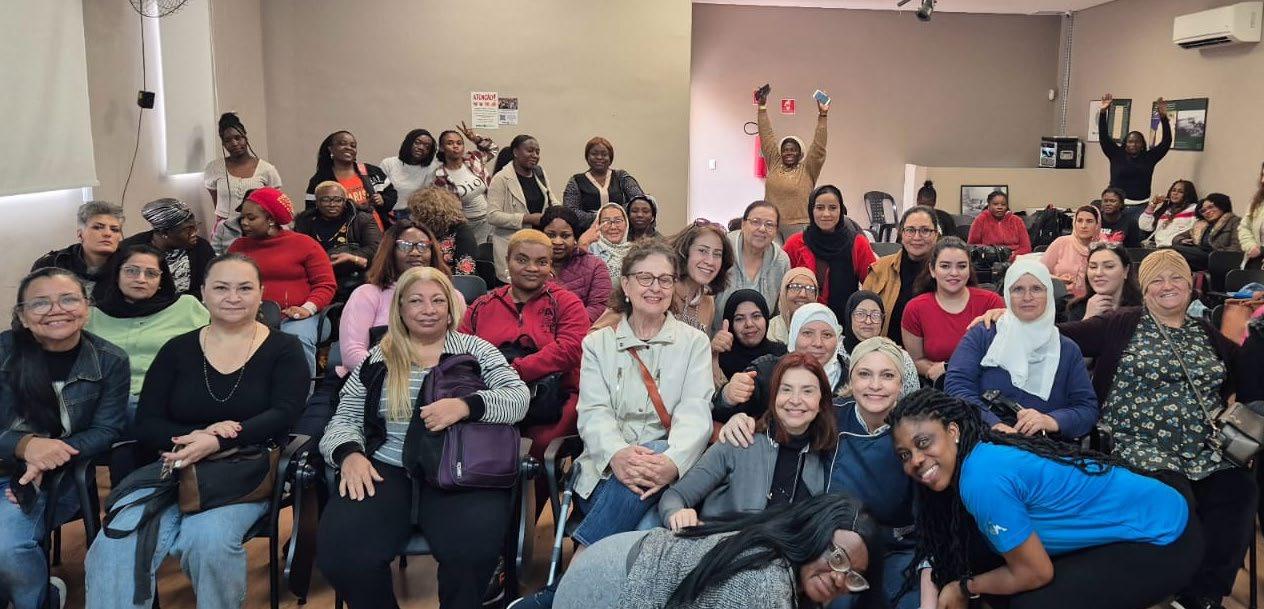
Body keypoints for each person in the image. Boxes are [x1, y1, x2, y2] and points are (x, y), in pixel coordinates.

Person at [85, 254, 308, 608]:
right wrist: (198, 438)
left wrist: (218, 440)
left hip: (241, 473)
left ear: (261, 293)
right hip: (171, 469)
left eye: (244, 288)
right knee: (114, 542)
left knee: (207, 541)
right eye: (221, 288)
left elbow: (284, 414)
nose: (232, 297)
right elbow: (148, 422)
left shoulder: (285, 349)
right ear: (202, 293)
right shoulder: (177, 349)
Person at [511, 240, 714, 609]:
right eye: (646, 278)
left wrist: (671, 462)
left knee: (650, 504)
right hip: (605, 471)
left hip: (670, 470)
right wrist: (617, 454)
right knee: (648, 527)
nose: (656, 288)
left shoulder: (694, 343)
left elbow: (695, 410)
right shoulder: (599, 344)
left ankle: (567, 588)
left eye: (665, 280)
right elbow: (593, 412)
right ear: (627, 283)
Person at [317, 266, 529, 609]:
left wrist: (466, 406)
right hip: (386, 467)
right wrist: (349, 454)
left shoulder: (476, 350)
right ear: (400, 308)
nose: (428, 310)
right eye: (416, 301)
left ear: (451, 307)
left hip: (460, 468)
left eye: (437, 301)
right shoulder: (379, 357)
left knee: (472, 554)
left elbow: (518, 399)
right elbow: (345, 416)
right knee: (343, 555)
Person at [1050, 249, 1253, 609]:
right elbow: (1056, 336)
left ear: (1190, 285)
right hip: (1139, 443)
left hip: (1203, 446)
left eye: (1176, 278)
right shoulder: (1121, 323)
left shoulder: (1205, 333)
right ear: (1144, 289)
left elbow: (1245, 368)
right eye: (1156, 280)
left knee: (1238, 489)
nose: (1167, 285)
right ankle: (1163, 588)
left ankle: (1203, 596)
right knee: (1176, 504)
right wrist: (1005, 316)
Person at [890, 389, 1201, 609]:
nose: (916, 460)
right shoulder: (979, 455)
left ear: (953, 431)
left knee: (1033, 603)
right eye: (905, 454)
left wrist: (964, 588)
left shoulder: (981, 479)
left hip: (1164, 536)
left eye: (923, 442)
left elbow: (1035, 573)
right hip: (1152, 507)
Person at [1, 269, 128, 609]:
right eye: (40, 303)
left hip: (57, 479)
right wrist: (25, 446)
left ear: (87, 308)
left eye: (68, 299)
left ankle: (41, 600)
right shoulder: (4, 352)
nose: (56, 310)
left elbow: (106, 430)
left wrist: (49, 456)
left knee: (7, 546)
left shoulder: (110, 360)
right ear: (23, 317)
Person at [546, 494, 880, 609]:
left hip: (623, 560)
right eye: (837, 558)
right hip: (607, 589)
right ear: (814, 533)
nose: (840, 579)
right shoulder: (764, 586)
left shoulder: (780, 559)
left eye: (854, 576)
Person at [458, 229, 590, 506]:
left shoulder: (567, 302)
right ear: (507, 260)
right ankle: (486, 513)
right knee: (477, 438)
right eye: (522, 259)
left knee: (539, 446)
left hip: (556, 396)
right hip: (494, 395)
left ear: (550, 265)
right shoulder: (482, 305)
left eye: (541, 262)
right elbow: (462, 351)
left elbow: (570, 349)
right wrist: (496, 378)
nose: (532, 268)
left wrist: (514, 370)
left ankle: (524, 517)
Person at [660, 353, 835, 531]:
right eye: (786, 390)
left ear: (821, 401)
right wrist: (678, 514)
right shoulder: (739, 439)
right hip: (722, 542)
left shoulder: (828, 455)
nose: (795, 400)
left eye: (807, 391)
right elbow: (675, 496)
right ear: (774, 396)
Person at [945, 259, 1098, 438]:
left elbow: (1087, 409)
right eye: (1018, 289)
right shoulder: (983, 334)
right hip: (985, 438)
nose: (1027, 297)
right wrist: (993, 424)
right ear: (1007, 295)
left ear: (1049, 294)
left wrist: (1051, 420)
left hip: (1046, 445)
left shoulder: (1067, 349)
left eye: (1036, 289)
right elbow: (957, 387)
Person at [86, 245, 209, 422]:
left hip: (170, 397)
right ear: (116, 275)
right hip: (109, 401)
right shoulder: (93, 316)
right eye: (131, 271)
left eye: (151, 274)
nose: (141, 279)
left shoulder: (187, 307)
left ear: (161, 280)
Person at [227, 187, 336, 375]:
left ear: (270, 219)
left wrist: (306, 309)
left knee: (295, 340)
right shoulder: (238, 247)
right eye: (242, 218)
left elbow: (325, 285)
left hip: (301, 317)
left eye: (251, 218)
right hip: (251, 316)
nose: (244, 223)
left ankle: (299, 392)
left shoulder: (304, 244)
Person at [713, 303, 849, 424]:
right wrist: (727, 396)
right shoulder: (767, 371)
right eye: (807, 333)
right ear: (793, 336)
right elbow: (722, 415)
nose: (818, 343)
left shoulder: (852, 379)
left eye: (827, 335)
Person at [901, 237, 1004, 384]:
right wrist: (938, 370)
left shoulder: (991, 302)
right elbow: (916, 360)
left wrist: (1007, 318)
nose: (954, 273)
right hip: (939, 386)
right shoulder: (915, 308)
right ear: (932, 270)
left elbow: (1004, 354)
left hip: (985, 384)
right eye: (945, 266)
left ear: (969, 270)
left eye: (961, 266)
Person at [784, 185, 877, 321]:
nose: (826, 214)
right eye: (820, 208)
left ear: (841, 211)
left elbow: (873, 286)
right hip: (802, 321)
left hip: (845, 322)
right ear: (811, 210)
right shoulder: (795, 243)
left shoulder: (857, 243)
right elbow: (783, 287)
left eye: (833, 208)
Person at [754, 84, 829, 239]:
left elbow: (819, 146)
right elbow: (766, 135)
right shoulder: (774, 163)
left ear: (800, 153)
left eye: (793, 149)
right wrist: (762, 108)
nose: (788, 152)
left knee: (795, 256)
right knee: (772, 255)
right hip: (771, 223)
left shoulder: (808, 169)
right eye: (785, 149)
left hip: (799, 226)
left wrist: (823, 116)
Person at [205, 112, 282, 254]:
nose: (234, 143)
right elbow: (216, 202)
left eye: (238, 138)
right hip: (226, 231)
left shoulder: (267, 169)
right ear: (223, 143)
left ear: (245, 137)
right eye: (228, 140)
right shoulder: (213, 168)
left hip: (258, 230)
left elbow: (275, 204)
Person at [487, 134, 561, 283]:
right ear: (515, 152)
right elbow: (493, 216)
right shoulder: (501, 178)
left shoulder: (539, 173)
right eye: (530, 151)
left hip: (538, 244)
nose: (535, 155)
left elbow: (552, 200)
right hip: (512, 245)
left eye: (537, 152)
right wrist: (526, 219)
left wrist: (560, 213)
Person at [862, 205, 940, 342]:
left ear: (936, 235)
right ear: (901, 234)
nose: (917, 237)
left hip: (931, 353)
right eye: (910, 230)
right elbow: (862, 316)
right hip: (885, 351)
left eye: (925, 230)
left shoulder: (947, 272)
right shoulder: (880, 269)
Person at [294, 181, 383, 297]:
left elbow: (376, 249)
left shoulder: (362, 219)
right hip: (317, 278)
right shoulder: (305, 222)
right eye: (325, 200)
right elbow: (296, 251)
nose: (332, 204)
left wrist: (351, 257)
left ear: (345, 201)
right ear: (317, 202)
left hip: (355, 278)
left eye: (338, 200)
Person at [713, 201, 790, 334]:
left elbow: (780, 311)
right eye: (755, 222)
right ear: (743, 225)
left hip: (759, 340)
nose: (762, 229)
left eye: (769, 224)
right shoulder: (721, 250)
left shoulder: (781, 261)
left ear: (776, 231)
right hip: (716, 337)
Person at [120, 198, 215, 298]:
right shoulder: (130, 250)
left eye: (195, 227)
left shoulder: (201, 246)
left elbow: (211, 284)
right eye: (188, 230)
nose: (194, 233)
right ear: (164, 232)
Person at [305, 130, 397, 228]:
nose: (348, 148)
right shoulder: (320, 179)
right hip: (340, 233)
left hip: (376, 231)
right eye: (342, 144)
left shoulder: (372, 172)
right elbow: (311, 211)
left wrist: (383, 200)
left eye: (353, 146)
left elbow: (392, 194)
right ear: (330, 149)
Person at [32, 201, 124, 293]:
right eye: (97, 227)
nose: (108, 233)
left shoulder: (127, 264)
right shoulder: (52, 264)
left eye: (114, 230)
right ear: (80, 235)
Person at [1097, 94, 1172, 205]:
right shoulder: (1116, 154)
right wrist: (1103, 112)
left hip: (1141, 204)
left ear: (1142, 144)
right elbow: (1103, 136)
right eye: (1130, 141)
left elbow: (1166, 141)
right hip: (1116, 205)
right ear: (1125, 143)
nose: (1134, 144)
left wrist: (1163, 118)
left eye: (1137, 142)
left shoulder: (1149, 157)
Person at [540, 206, 611, 321]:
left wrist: (569, 326)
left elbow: (598, 307)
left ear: (575, 238)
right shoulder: (531, 267)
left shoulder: (596, 266)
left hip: (582, 329)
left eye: (565, 236)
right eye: (551, 235)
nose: (557, 241)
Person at [433, 122, 499, 245]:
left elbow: (493, 149)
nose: (455, 146)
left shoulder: (473, 159)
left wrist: (475, 138)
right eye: (450, 143)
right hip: (466, 227)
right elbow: (445, 211)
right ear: (442, 148)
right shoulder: (440, 177)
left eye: (459, 143)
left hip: (489, 220)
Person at [561, 137, 645, 232]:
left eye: (604, 154)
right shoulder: (576, 181)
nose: (599, 157)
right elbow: (570, 212)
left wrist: (616, 215)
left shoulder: (621, 176)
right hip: (588, 233)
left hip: (620, 233)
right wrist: (602, 217)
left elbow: (639, 201)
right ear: (587, 156)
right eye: (594, 154)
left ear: (610, 157)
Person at [710, 289, 787, 386]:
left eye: (756, 316)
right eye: (739, 319)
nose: (749, 324)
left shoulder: (781, 355)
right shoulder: (720, 358)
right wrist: (713, 358)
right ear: (730, 324)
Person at [668, 221, 734, 334]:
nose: (710, 261)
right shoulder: (663, 291)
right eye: (702, 251)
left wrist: (713, 345)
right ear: (684, 251)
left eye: (717, 254)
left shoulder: (708, 303)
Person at [1062, 242, 1142, 322]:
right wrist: (1088, 319)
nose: (1098, 273)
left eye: (1109, 266)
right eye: (1093, 267)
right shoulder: (1077, 308)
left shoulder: (1142, 306)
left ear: (1126, 270)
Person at [407, 186, 478, 275]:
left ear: (428, 216)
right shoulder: (419, 231)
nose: (411, 217)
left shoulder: (462, 233)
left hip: (452, 281)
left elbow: (465, 274)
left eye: (415, 213)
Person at [1040, 205, 1101, 298]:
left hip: (1090, 300)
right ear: (1074, 223)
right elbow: (1039, 272)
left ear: (1097, 224)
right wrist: (1058, 280)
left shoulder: (1102, 248)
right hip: (1060, 299)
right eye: (1079, 221)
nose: (1083, 226)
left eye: (1089, 221)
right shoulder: (1061, 242)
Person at [380, 128, 439, 220]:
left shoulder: (431, 168)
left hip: (415, 216)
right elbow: (379, 191)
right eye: (417, 143)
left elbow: (427, 198)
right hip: (388, 215)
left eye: (427, 146)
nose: (421, 147)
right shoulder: (388, 163)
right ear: (408, 143)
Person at [1173, 193, 1242, 271]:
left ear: (1221, 206)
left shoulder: (1234, 222)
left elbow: (1237, 248)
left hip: (1217, 258)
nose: (1207, 212)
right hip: (1199, 256)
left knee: (1171, 251)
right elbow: (1176, 238)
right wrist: (1181, 240)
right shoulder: (1202, 225)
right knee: (1168, 253)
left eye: (1211, 207)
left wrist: (1218, 254)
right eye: (1203, 211)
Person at [967, 192, 1031, 257]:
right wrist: (992, 253)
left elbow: (1026, 247)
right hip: (989, 258)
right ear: (989, 205)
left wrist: (1012, 255)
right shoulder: (980, 220)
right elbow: (971, 246)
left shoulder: (1017, 221)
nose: (1000, 207)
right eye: (995, 204)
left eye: (1003, 204)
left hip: (1015, 257)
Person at [1139, 179, 1199, 248]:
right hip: (1158, 248)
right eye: (1173, 190)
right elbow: (1144, 226)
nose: (1175, 193)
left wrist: (1179, 240)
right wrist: (1153, 204)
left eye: (1180, 192)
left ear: (1188, 194)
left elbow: (1194, 229)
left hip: (1177, 247)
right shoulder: (1166, 210)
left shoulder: (1193, 208)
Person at [585, 203, 634, 288]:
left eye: (618, 221)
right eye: (606, 222)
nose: (613, 227)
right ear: (598, 225)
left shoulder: (636, 251)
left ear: (626, 224)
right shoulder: (589, 251)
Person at [767, 267, 818, 344]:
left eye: (810, 288)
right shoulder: (770, 329)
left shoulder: (826, 328)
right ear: (784, 292)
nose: (803, 294)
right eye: (795, 287)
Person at [1238, 161, 1264, 266]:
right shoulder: (1258, 201)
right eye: (1263, 175)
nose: (1263, 180)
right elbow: (1244, 227)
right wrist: (1250, 245)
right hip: (1255, 259)